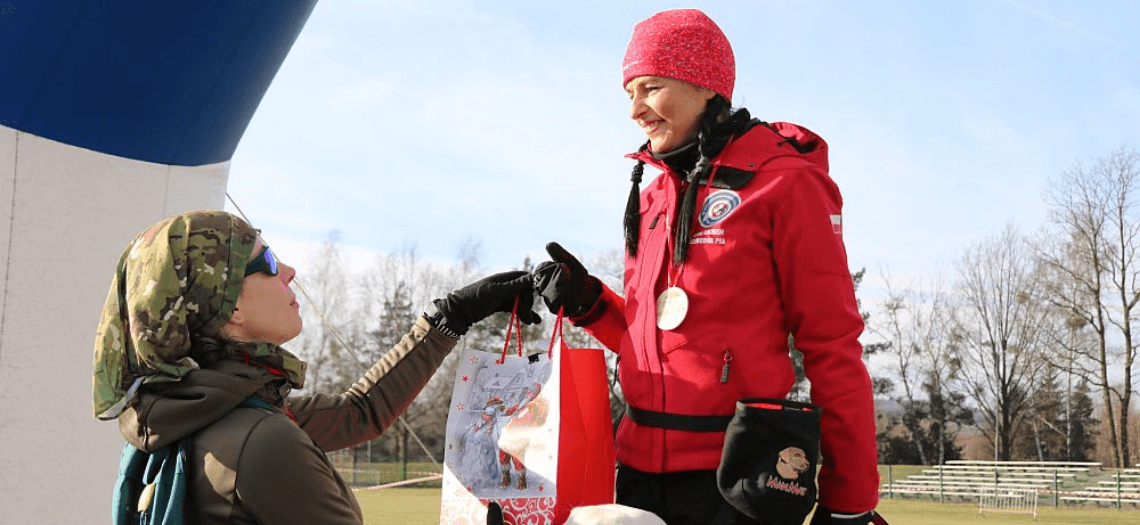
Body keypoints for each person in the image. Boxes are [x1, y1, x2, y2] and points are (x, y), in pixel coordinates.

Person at [533, 9, 879, 525]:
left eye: (650, 87)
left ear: (704, 86)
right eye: (629, 92)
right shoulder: (651, 197)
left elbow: (832, 345)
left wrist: (849, 501)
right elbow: (657, 336)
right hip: (636, 476)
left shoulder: (784, 183)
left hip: (738, 481)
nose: (636, 110)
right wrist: (590, 303)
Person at [92, 210, 539, 525]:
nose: (289, 270)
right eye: (265, 262)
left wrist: (450, 317)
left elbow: (360, 412)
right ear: (227, 308)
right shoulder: (262, 441)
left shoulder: (187, 415)